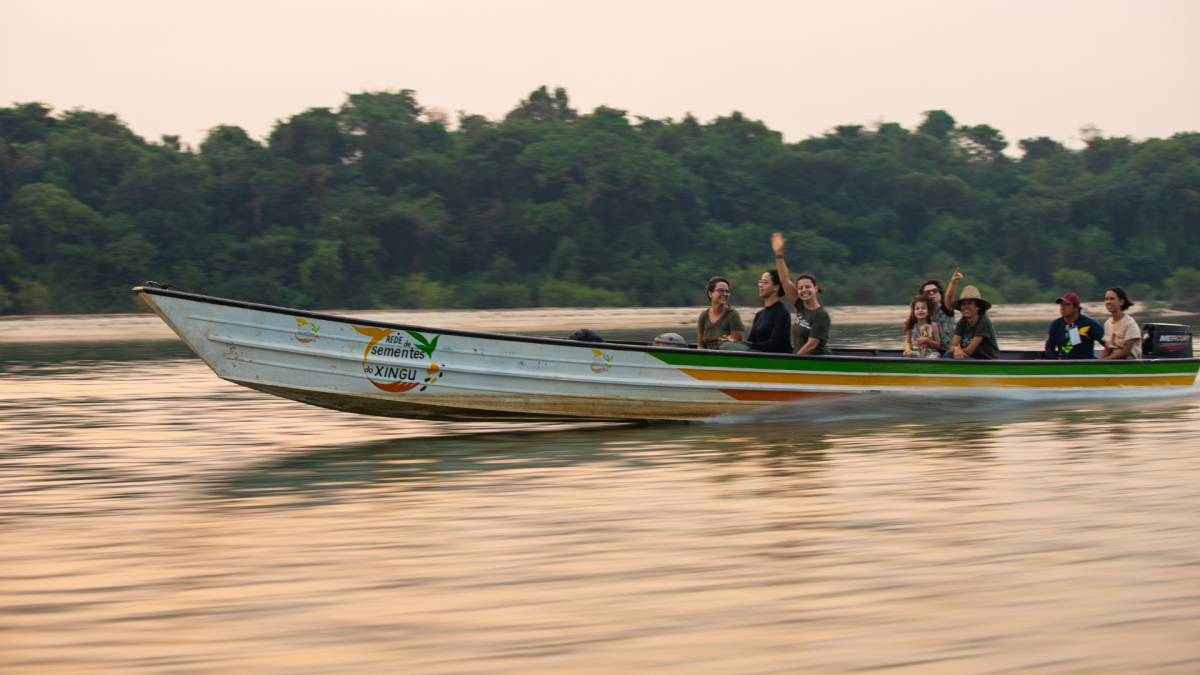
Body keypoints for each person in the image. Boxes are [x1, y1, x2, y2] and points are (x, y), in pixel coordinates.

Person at [771, 232, 831, 355]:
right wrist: (778, 254)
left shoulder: (821, 315)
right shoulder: (800, 305)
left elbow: (811, 345)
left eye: (808, 287)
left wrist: (793, 362)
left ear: (815, 288)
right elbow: (785, 280)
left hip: (816, 362)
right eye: (800, 288)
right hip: (800, 359)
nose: (804, 290)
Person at [721, 269, 792, 352]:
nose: (760, 285)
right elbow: (751, 342)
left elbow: (772, 345)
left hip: (776, 359)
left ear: (776, 287)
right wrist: (734, 343)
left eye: (765, 282)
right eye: (760, 282)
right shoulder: (759, 314)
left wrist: (742, 345)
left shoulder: (782, 313)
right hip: (758, 356)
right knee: (725, 346)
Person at [1044, 292, 1104, 360]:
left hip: (1084, 365)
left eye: (1067, 304)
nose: (1063, 308)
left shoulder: (1089, 324)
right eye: (1061, 304)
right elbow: (1049, 347)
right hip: (1061, 364)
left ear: (1076, 308)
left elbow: (1107, 344)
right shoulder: (1055, 324)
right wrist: (1054, 361)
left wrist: (1101, 360)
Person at [948, 286, 1000, 360]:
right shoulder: (962, 322)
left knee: (950, 355)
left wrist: (957, 351)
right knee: (949, 354)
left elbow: (969, 350)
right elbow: (952, 346)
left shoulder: (984, 322)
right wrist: (956, 348)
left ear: (978, 306)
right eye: (963, 304)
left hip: (986, 360)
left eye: (969, 303)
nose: (965, 307)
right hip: (970, 358)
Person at [919, 269, 963, 353]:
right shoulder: (925, 314)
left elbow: (949, 295)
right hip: (933, 352)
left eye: (935, 291)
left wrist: (953, 282)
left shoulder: (947, 308)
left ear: (940, 293)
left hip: (951, 351)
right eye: (928, 292)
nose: (932, 293)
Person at [696, 276, 744, 349]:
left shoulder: (733, 315)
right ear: (710, 293)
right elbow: (700, 345)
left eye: (727, 291)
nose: (725, 294)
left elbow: (737, 346)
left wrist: (726, 344)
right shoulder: (703, 316)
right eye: (721, 290)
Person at [1099, 287, 1141, 360]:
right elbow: (1107, 349)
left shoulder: (1129, 323)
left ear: (1121, 302)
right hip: (1114, 362)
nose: (1108, 302)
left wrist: (1105, 361)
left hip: (1129, 364)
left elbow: (1126, 352)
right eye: (1106, 299)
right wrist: (1097, 363)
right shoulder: (1107, 323)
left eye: (1112, 299)